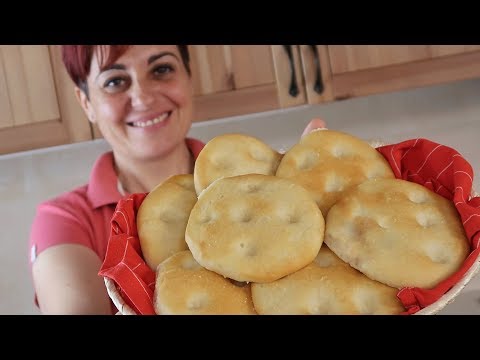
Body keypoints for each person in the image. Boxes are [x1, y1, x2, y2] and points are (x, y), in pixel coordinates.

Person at [28, 45, 327, 315]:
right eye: (115, 81)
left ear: (188, 78)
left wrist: (317, 216)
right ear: (86, 103)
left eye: (161, 69)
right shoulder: (65, 220)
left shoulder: (264, 181)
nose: (143, 97)